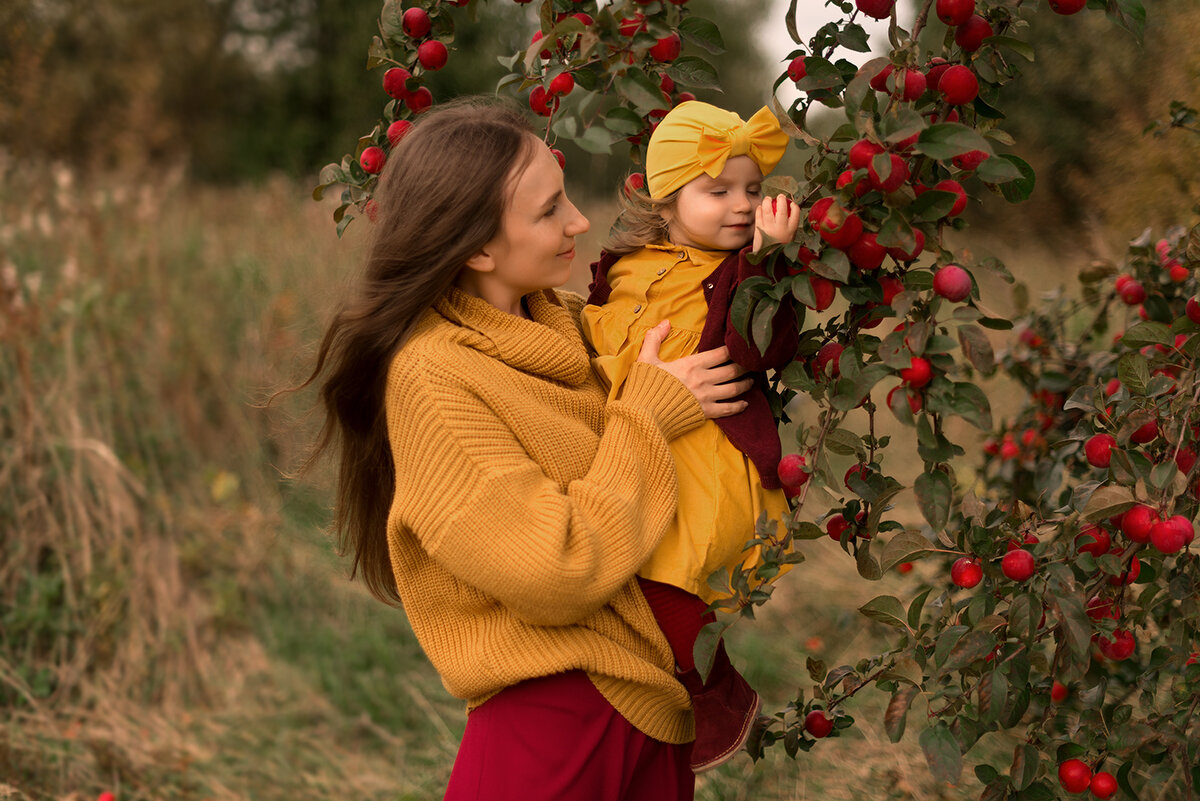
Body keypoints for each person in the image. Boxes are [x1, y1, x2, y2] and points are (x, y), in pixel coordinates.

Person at [298, 97, 758, 801]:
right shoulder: (435, 377)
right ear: (479, 246)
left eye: (566, 197)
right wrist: (646, 417)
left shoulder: (576, 326)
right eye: (549, 211)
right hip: (554, 724)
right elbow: (554, 567)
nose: (579, 220)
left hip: (651, 708)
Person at [581, 100, 802, 773]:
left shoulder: (739, 272)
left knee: (670, 580)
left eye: (753, 190)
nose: (742, 205)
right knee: (624, 579)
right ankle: (665, 709)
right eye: (719, 191)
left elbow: (760, 346)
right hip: (637, 444)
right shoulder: (626, 263)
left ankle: (714, 698)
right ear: (667, 200)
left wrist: (767, 265)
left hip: (705, 461)